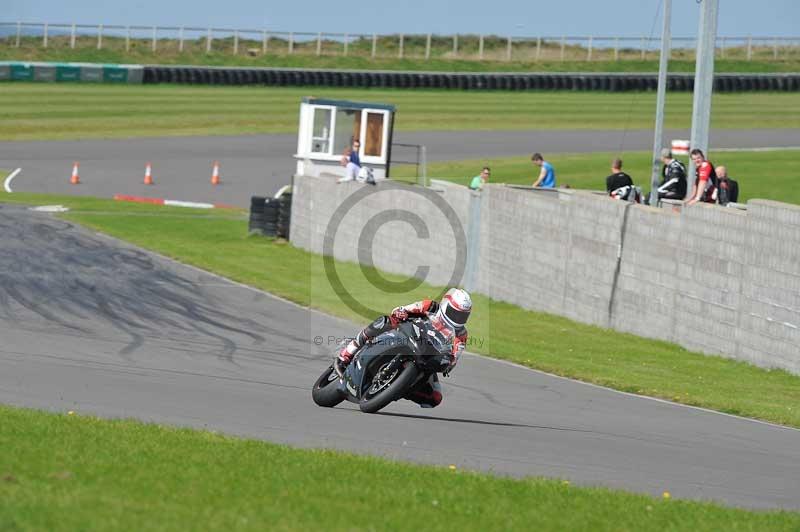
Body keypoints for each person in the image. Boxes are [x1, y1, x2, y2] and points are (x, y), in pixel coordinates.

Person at [335, 288, 472, 408]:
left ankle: (400, 389)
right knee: (384, 322)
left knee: (435, 398)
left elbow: (454, 357)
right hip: (406, 336)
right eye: (455, 312)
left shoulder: (461, 334)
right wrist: (402, 312)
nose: (458, 318)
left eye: (462, 315)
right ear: (445, 304)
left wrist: (447, 364)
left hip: (427, 357)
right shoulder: (430, 306)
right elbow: (403, 309)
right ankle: (348, 352)